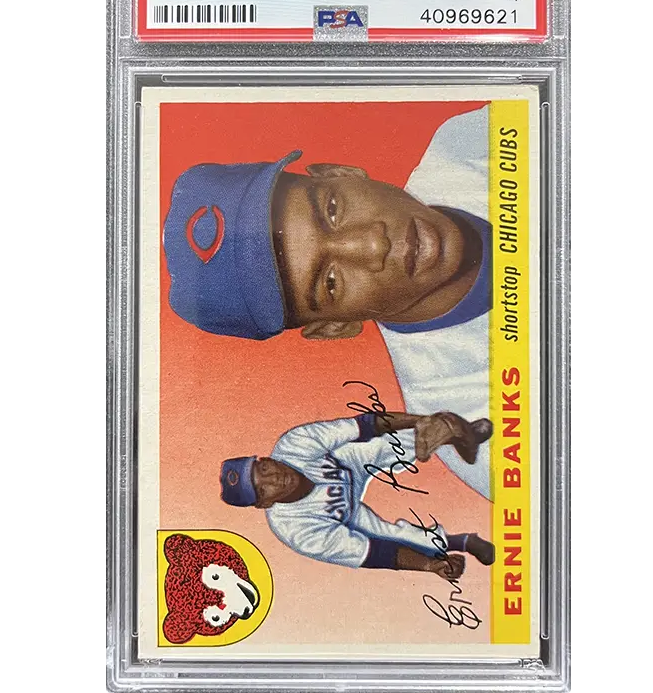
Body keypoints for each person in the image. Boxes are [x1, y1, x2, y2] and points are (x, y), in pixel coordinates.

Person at [164, 105, 495, 498]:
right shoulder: (466, 416)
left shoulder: (469, 142)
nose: (372, 245)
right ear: (335, 327)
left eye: (333, 210)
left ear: (341, 172)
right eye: (331, 282)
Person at [219, 410, 495, 575]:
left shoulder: (294, 444)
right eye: (262, 488)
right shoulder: (295, 529)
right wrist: (428, 566)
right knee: (389, 536)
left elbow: (366, 424)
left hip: (349, 462)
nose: (273, 478)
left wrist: (427, 421)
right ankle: (464, 542)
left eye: (263, 469)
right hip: (348, 516)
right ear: (265, 504)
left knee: (380, 445)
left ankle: (459, 433)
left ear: (266, 459)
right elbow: (372, 553)